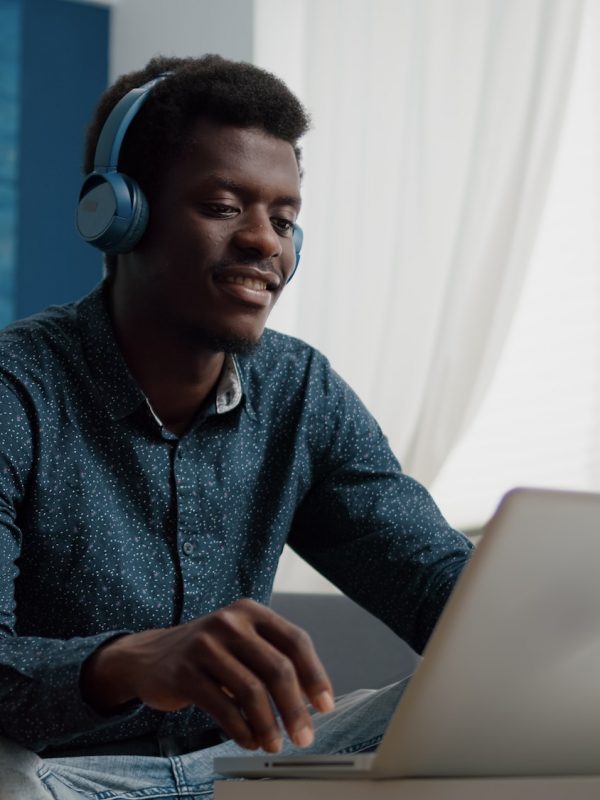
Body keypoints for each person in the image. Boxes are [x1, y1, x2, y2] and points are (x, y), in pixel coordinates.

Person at [0, 55, 473, 799]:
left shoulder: (300, 390)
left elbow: (434, 583)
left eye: (285, 220)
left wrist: (545, 627)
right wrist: (129, 661)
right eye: (224, 207)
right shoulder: (16, 390)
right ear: (119, 213)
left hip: (237, 770)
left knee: (462, 717)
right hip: (53, 774)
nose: (267, 243)